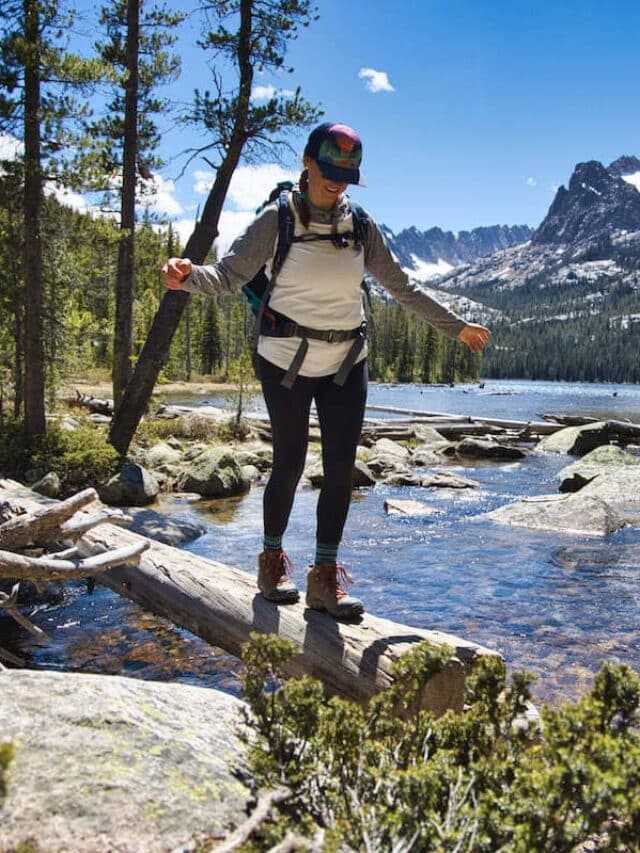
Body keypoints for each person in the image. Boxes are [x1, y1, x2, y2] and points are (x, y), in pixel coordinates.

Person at [163, 122, 491, 620]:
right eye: (330, 171)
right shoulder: (277, 221)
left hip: (345, 362)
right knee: (290, 463)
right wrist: (187, 276)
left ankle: (324, 579)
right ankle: (272, 561)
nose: (337, 182)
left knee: (340, 471)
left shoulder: (360, 226)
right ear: (307, 163)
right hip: (284, 363)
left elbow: (403, 288)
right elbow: (228, 276)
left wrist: (455, 328)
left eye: (347, 174)